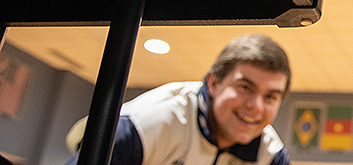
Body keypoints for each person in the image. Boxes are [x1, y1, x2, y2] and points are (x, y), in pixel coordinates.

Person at [66, 34, 291, 165]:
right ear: (213, 83)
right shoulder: (150, 124)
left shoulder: (270, 154)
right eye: (245, 87)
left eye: (270, 96)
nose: (255, 106)